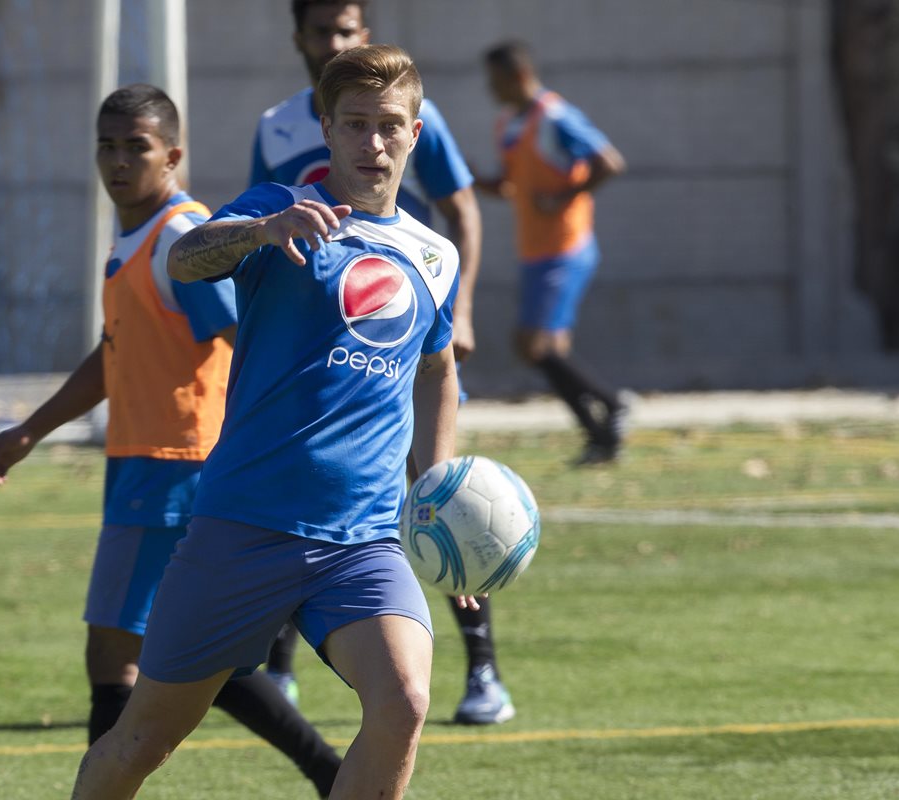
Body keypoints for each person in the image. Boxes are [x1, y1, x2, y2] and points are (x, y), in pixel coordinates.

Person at [68, 45, 471, 800]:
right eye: (354, 124)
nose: (372, 143)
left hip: (362, 542)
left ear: (415, 133)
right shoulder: (274, 209)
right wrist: (258, 232)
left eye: (389, 126)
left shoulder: (433, 255)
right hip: (242, 528)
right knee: (143, 740)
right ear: (327, 127)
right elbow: (183, 260)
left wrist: (437, 490)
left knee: (405, 702)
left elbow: (439, 369)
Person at [0, 84, 341, 797]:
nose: (117, 160)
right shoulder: (138, 237)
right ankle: (331, 775)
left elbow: (248, 336)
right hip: (146, 465)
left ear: (171, 154)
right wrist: (30, 431)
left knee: (113, 654)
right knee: (207, 659)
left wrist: (292, 430)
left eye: (135, 146)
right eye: (106, 146)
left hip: (172, 467)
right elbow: (115, 352)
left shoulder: (180, 236)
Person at [249, 0, 513, 727]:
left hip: (398, 329)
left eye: (346, 30)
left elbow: (461, 207)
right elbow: (251, 234)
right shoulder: (276, 127)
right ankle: (280, 670)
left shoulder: (403, 110)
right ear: (299, 39)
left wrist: (457, 312)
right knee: (294, 485)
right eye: (321, 31)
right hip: (309, 350)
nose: (332, 41)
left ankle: (483, 665)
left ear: (362, 35)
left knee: (440, 494)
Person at [476, 39, 630, 465]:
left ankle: (612, 406)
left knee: (535, 346)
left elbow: (609, 161)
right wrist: (469, 180)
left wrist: (564, 197)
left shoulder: (556, 116)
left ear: (518, 76)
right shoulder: (508, 125)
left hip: (566, 245)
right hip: (534, 250)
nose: (491, 90)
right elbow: (509, 185)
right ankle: (601, 436)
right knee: (543, 350)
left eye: (496, 80)